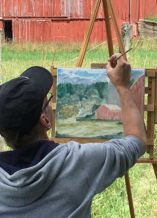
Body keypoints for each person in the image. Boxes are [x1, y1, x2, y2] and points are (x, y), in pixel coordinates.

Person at [0, 55, 146, 217]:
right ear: (45, 120)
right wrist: (122, 86)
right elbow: (136, 141)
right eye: (48, 101)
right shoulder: (76, 161)